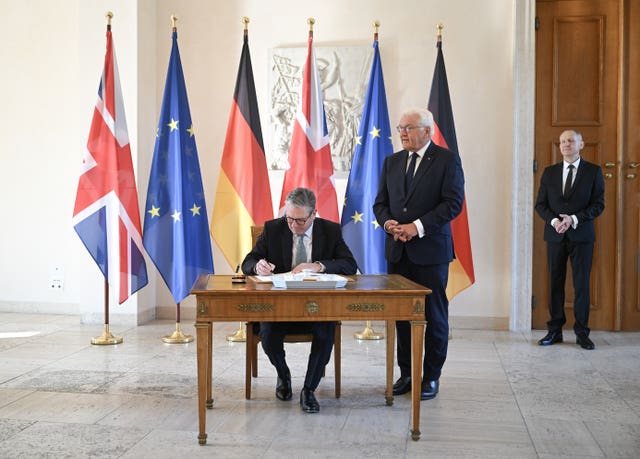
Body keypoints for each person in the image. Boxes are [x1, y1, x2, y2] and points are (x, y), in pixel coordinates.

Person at [373, 108, 464, 400]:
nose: (402, 133)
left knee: (434, 315)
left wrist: (417, 227)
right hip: (398, 251)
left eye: (409, 128)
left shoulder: (447, 161)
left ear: (427, 130)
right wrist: (389, 224)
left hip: (431, 251)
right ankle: (407, 373)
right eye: (400, 128)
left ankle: (431, 377)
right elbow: (380, 204)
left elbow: (453, 204)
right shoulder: (392, 162)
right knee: (401, 315)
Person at [241, 187, 357, 413]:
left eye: (300, 221)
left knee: (326, 331)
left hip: (318, 307)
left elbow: (349, 265)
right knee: (267, 332)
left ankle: (309, 389)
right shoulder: (274, 228)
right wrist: (258, 265)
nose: (294, 226)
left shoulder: (330, 230)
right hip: (280, 307)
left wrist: (319, 266)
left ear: (314, 214)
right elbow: (248, 261)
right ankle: (283, 376)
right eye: (290, 219)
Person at [535, 129, 605, 350]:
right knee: (555, 282)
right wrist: (556, 222)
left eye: (571, 141)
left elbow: (598, 205)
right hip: (555, 235)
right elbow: (541, 205)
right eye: (563, 141)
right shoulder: (549, 172)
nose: (566, 144)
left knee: (581, 284)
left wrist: (573, 219)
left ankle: (582, 333)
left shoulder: (593, 172)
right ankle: (554, 331)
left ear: (581, 144)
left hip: (582, 236)